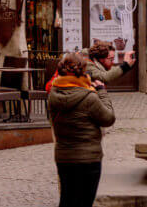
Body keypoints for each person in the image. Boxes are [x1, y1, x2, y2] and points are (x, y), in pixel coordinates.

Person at [48, 52, 115, 207]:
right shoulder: (89, 97)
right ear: (81, 72)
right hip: (88, 159)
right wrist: (102, 92)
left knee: (67, 200)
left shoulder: (53, 94)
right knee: (85, 202)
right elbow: (108, 118)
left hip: (64, 157)